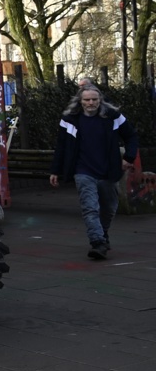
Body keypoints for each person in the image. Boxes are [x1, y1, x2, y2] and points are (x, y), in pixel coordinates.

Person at [49, 84, 139, 260]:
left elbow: (131, 135)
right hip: (83, 170)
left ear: (100, 100)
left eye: (94, 99)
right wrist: (55, 171)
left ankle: (102, 234)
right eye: (87, 100)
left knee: (109, 208)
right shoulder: (69, 119)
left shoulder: (113, 117)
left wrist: (128, 157)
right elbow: (61, 147)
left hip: (109, 170)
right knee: (90, 208)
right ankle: (97, 243)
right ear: (80, 101)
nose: (91, 103)